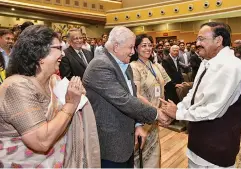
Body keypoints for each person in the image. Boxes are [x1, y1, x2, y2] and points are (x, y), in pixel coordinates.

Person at [0, 25, 100, 167]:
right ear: (39, 53)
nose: (63, 54)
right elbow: (41, 142)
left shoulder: (54, 82)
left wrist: (76, 94)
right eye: (58, 48)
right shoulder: (16, 87)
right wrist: (71, 104)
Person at [82, 26, 173, 168]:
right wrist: (156, 113)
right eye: (130, 47)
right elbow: (124, 99)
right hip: (110, 144)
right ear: (116, 46)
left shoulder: (124, 64)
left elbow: (132, 95)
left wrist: (137, 124)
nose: (132, 51)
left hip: (127, 140)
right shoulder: (100, 65)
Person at [160, 22, 241, 168]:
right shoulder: (207, 62)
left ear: (218, 41)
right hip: (198, 144)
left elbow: (213, 109)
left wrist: (179, 114)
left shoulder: (231, 67)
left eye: (201, 39)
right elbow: (193, 95)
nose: (197, 43)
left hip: (216, 150)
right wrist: (178, 108)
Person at [130, 34, 171, 168]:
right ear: (136, 48)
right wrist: (155, 111)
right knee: (140, 153)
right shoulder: (133, 67)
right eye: (143, 45)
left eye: (149, 45)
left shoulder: (156, 66)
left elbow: (163, 88)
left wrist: (165, 111)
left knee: (154, 153)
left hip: (155, 118)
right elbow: (136, 94)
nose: (147, 48)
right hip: (142, 117)